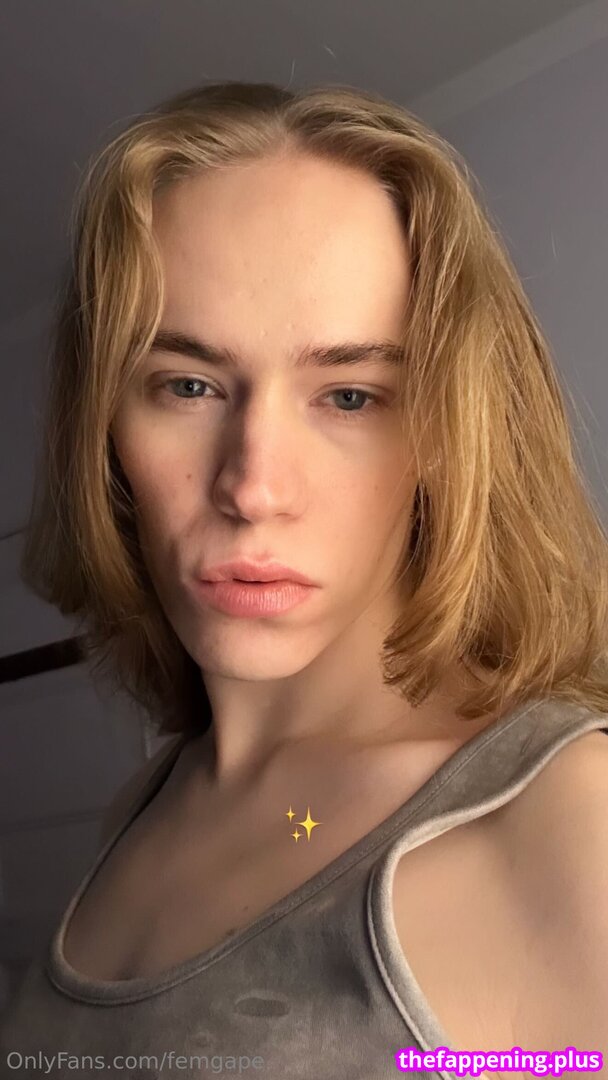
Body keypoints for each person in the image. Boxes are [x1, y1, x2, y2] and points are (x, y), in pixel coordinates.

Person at [1, 80, 607, 1080]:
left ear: (454, 435)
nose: (253, 487)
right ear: (103, 430)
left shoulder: (567, 823)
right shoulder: (148, 802)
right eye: (187, 385)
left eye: (351, 396)